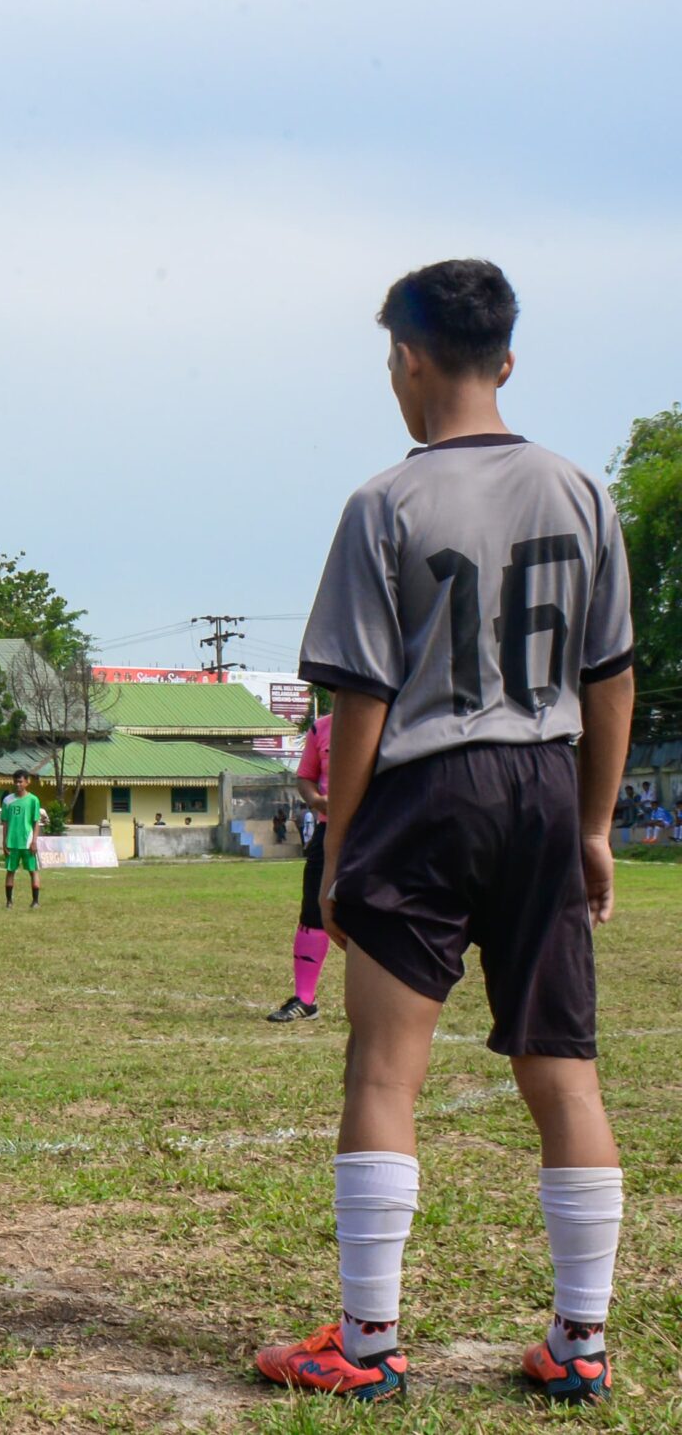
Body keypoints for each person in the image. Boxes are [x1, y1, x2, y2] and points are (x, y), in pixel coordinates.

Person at [255, 259, 635, 1405]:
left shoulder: (385, 501)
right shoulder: (582, 492)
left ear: (406, 359)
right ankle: (579, 1343)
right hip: (542, 779)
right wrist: (595, 825)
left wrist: (346, 841)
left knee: (383, 1066)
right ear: (504, 362)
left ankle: (367, 1343)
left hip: (427, 787)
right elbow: (609, 677)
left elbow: (358, 699)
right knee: (563, 1072)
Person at [269, 709, 337, 1023]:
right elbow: (305, 777)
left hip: (377, 829)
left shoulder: (391, 719)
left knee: (378, 915)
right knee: (313, 910)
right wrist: (316, 801)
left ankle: (386, 998)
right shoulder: (320, 728)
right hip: (329, 830)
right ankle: (305, 999)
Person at [0, 770, 43, 909]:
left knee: (33, 870)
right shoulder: (7, 800)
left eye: (20, 782)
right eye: (15, 782)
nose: (18, 784)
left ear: (27, 782)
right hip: (12, 842)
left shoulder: (33, 800)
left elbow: (36, 822)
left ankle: (35, 901)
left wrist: (34, 841)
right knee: (10, 871)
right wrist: (4, 840)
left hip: (27, 841)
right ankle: (9, 901)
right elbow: (5, 822)